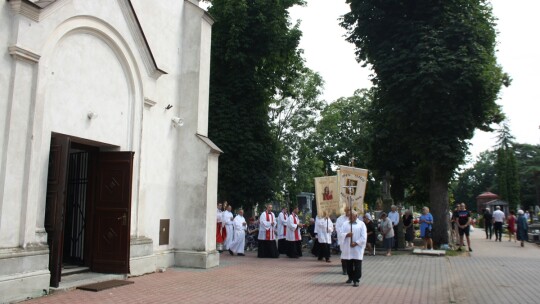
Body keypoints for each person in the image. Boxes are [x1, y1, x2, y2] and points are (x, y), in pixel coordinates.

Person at [338, 210, 367, 287]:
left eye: (351, 216)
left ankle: (356, 279)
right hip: (348, 247)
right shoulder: (345, 224)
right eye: (349, 216)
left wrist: (356, 243)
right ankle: (350, 277)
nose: (349, 217)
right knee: (349, 264)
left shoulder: (361, 224)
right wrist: (347, 234)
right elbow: (340, 234)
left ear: (356, 216)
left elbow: (364, 237)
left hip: (357, 248)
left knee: (357, 264)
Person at [335, 207, 351, 275]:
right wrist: (345, 234)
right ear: (345, 211)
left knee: (351, 255)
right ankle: (344, 269)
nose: (349, 212)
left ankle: (350, 269)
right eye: (348, 211)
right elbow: (338, 229)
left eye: (350, 211)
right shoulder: (340, 219)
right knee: (344, 255)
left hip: (351, 239)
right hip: (343, 239)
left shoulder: (353, 218)